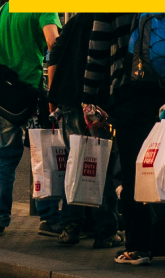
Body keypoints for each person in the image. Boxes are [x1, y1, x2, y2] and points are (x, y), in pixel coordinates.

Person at [84, 13, 165, 265]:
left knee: (133, 171)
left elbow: (97, 48)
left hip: (129, 97)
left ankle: (138, 247)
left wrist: (88, 97)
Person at [0, 2, 62, 237]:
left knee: (6, 156)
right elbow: (53, 44)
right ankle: (48, 219)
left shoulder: (4, 9)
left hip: (3, 95)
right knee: (43, 155)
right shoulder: (44, 6)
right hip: (30, 94)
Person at [47, 12, 122, 248]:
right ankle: (106, 231)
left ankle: (70, 227)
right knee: (101, 165)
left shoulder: (77, 20)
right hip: (98, 102)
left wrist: (52, 95)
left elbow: (54, 54)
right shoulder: (113, 18)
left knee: (75, 162)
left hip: (68, 97)